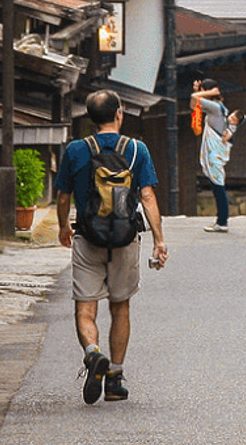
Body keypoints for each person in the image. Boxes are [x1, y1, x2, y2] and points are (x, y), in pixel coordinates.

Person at [55, 90, 167, 404]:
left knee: (85, 308)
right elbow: (147, 196)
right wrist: (159, 240)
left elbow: (63, 197)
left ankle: (93, 354)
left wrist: (63, 226)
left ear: (90, 117)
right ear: (119, 114)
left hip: (87, 237)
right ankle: (115, 380)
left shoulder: (76, 150)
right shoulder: (137, 149)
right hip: (125, 238)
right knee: (120, 307)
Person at [190, 77, 241, 232]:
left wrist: (205, 92)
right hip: (216, 152)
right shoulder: (218, 106)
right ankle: (221, 220)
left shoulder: (215, 107)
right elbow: (194, 104)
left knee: (218, 187)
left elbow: (194, 99)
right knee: (217, 186)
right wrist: (200, 91)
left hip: (215, 154)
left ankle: (222, 221)